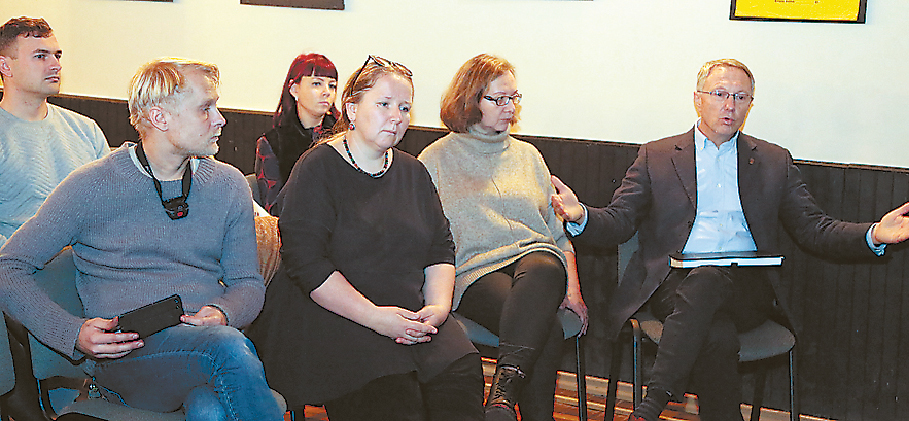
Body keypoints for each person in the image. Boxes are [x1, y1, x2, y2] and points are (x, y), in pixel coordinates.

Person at [550, 58, 909, 421]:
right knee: (715, 331)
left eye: (740, 97)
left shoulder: (773, 160)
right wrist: (582, 215)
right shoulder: (656, 156)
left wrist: (873, 233)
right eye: (720, 94)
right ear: (698, 99)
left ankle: (651, 403)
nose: (730, 105)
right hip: (675, 285)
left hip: (746, 289)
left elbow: (814, 228)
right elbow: (620, 219)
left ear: (750, 104)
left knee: (710, 288)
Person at [0, 57, 284, 420]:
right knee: (226, 347)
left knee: (209, 409)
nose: (220, 119)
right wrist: (72, 333)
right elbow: (8, 267)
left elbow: (247, 284)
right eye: (205, 108)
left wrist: (223, 312)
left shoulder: (227, 185)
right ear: (159, 117)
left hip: (203, 348)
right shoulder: (91, 185)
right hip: (126, 359)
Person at [247, 55, 483, 421]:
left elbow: (440, 247)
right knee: (393, 396)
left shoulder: (413, 171)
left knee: (461, 370)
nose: (397, 116)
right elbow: (307, 263)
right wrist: (375, 317)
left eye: (404, 107)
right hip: (334, 311)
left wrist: (437, 308)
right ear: (352, 109)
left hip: (407, 307)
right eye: (384, 104)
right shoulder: (318, 167)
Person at [418, 54, 588, 421]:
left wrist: (573, 291)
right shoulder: (436, 159)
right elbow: (422, 236)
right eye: (499, 99)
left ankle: (501, 399)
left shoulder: (528, 156)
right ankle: (507, 404)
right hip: (475, 272)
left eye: (514, 97)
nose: (510, 107)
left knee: (546, 264)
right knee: (547, 330)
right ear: (471, 100)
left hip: (538, 265)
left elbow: (557, 234)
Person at [0, 16, 109, 245]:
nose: (55, 65)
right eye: (40, 56)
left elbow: (111, 209)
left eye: (57, 56)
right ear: (5, 66)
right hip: (17, 261)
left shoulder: (86, 129)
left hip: (87, 259)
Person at [254, 52, 338, 213]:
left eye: (332, 86)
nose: (327, 92)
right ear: (294, 89)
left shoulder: (345, 135)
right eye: (316, 84)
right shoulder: (273, 142)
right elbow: (273, 207)